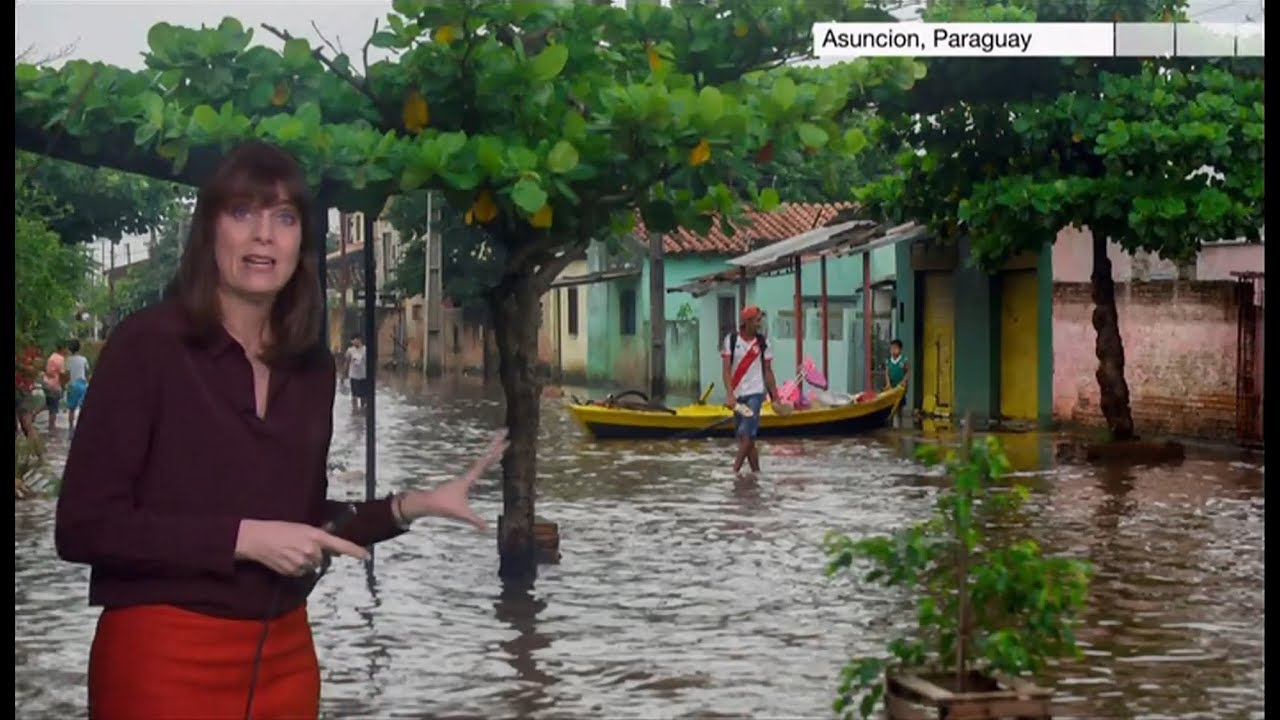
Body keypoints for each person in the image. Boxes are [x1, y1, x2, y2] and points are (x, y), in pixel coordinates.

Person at [54, 141, 509, 720]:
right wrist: (241, 539)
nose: (263, 235)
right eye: (242, 212)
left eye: (284, 217)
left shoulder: (312, 368)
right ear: (209, 231)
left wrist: (410, 507)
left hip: (284, 657)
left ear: (302, 243)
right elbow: (84, 528)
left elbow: (295, 521)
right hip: (160, 653)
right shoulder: (146, 346)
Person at [721, 305, 782, 476]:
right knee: (744, 438)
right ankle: (756, 473)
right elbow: (726, 370)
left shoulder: (763, 343)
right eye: (757, 320)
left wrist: (775, 397)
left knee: (746, 434)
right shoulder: (731, 341)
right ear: (747, 322)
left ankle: (734, 472)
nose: (759, 324)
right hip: (738, 394)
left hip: (756, 393)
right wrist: (730, 394)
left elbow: (768, 371)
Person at [41, 340, 68, 434]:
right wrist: (63, 385)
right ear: (63, 348)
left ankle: (31, 416)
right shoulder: (60, 359)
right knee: (53, 407)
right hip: (54, 385)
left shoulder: (51, 356)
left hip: (46, 383)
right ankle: (51, 427)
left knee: (48, 404)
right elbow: (62, 374)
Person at [65, 339, 91, 432]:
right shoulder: (83, 359)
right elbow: (87, 372)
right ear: (79, 348)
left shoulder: (68, 360)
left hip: (73, 385)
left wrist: (66, 384)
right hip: (83, 384)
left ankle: (71, 429)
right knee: (83, 408)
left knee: (71, 409)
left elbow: (67, 374)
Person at [343, 335, 368, 411]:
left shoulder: (365, 349)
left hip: (363, 375)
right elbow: (347, 362)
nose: (352, 342)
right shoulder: (350, 350)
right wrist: (344, 374)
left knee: (363, 396)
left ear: (359, 339)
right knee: (354, 395)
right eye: (351, 340)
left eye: (354, 340)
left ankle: (363, 409)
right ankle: (355, 410)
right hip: (353, 375)